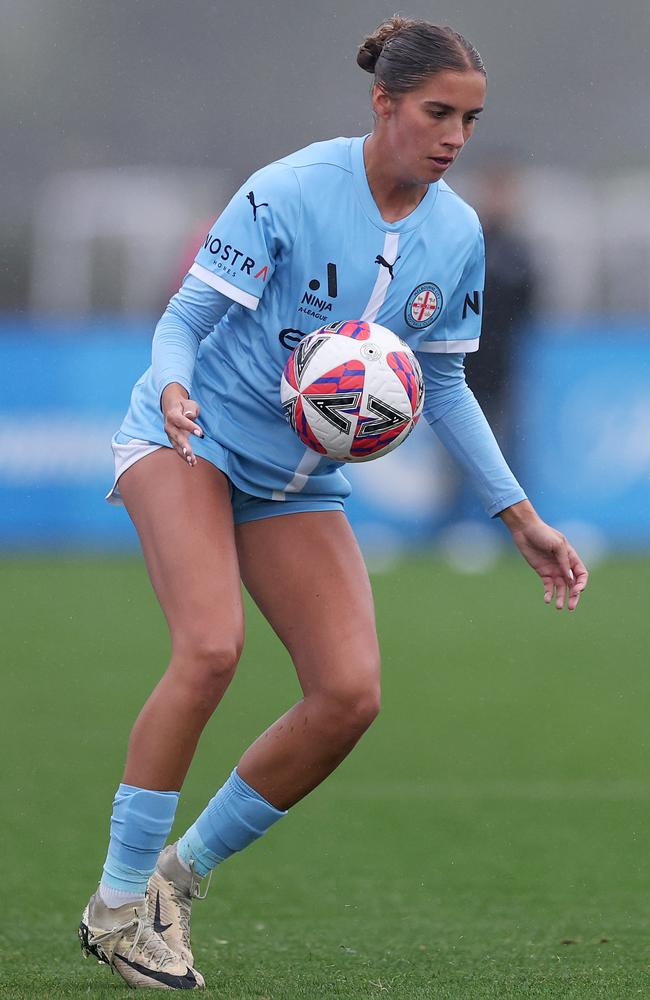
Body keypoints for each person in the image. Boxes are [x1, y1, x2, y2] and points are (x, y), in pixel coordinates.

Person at [79, 16, 588, 991]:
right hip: (188, 439)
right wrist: (176, 386)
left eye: (469, 120)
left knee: (349, 694)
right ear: (382, 103)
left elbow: (441, 387)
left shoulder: (454, 234)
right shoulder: (289, 192)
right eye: (436, 112)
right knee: (210, 646)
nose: (452, 136)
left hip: (296, 479)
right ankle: (113, 905)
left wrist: (517, 516)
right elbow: (183, 320)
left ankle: (173, 883)